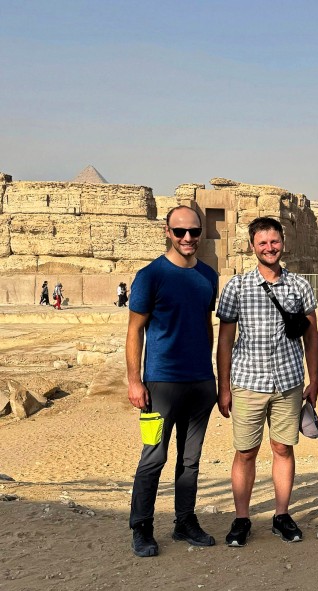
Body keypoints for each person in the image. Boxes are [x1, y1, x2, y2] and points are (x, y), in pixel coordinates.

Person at [216, 217, 318, 546]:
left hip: (288, 381)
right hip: (248, 381)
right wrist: (224, 387)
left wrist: (313, 378)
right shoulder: (237, 286)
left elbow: (311, 337)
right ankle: (242, 518)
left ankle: (282, 515)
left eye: (274, 242)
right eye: (262, 243)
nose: (269, 248)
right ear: (252, 246)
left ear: (283, 243)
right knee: (245, 452)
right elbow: (225, 340)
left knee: (283, 449)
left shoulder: (300, 287)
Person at [126, 205, 219, 557]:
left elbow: (205, 325)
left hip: (199, 383)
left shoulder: (209, 276)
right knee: (154, 457)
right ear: (167, 231)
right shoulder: (150, 275)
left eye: (194, 232)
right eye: (180, 231)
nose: (187, 238)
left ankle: (184, 522)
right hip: (160, 384)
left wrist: (210, 375)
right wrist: (135, 382)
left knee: (190, 460)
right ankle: (141, 527)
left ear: (201, 233)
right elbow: (135, 330)